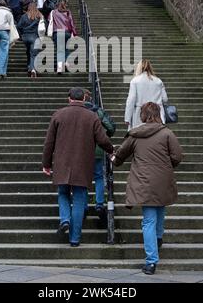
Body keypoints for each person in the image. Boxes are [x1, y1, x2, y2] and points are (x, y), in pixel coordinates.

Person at [112, 102, 183, 275]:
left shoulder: (135, 135)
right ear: (158, 114)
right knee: (160, 211)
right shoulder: (167, 133)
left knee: (148, 220)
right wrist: (167, 165)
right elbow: (177, 156)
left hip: (144, 181)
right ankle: (158, 239)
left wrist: (114, 160)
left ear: (143, 115)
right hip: (163, 180)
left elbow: (121, 154)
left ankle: (151, 261)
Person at [42, 87, 114, 247]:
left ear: (69, 99)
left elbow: (49, 142)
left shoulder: (58, 114)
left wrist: (46, 164)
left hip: (62, 163)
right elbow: (102, 140)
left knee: (63, 193)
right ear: (83, 99)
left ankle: (65, 219)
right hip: (83, 164)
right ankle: (75, 239)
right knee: (80, 198)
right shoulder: (92, 117)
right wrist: (112, 151)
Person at [83, 90, 116, 226]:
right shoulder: (98, 111)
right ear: (91, 99)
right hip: (97, 149)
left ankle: (83, 206)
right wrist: (103, 136)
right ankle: (99, 204)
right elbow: (111, 128)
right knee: (99, 178)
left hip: (81, 151)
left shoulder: (76, 112)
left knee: (83, 180)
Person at [124, 59, 168, 129]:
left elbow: (131, 100)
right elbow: (165, 99)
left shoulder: (135, 81)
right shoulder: (158, 81)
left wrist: (127, 118)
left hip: (139, 115)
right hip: (157, 115)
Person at [17, 3, 43, 78]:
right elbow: (44, 26)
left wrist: (21, 35)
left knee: (28, 51)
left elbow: (18, 26)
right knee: (34, 54)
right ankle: (33, 69)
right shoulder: (39, 16)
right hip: (34, 37)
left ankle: (29, 66)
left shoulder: (24, 16)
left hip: (25, 37)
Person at [52, 1, 77, 74]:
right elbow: (72, 23)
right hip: (67, 32)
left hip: (58, 32)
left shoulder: (54, 12)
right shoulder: (68, 12)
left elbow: (49, 20)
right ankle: (66, 62)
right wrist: (74, 33)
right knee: (66, 48)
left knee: (60, 50)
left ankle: (60, 67)